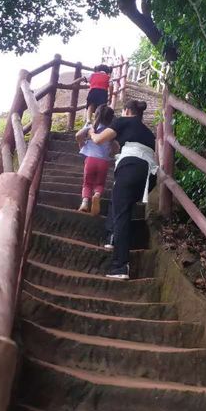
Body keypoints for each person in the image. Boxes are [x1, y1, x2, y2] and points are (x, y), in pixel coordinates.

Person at [88, 99, 157, 280]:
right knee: (119, 203)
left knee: (122, 215)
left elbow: (98, 139)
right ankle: (112, 237)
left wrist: (90, 131)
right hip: (148, 175)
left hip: (130, 169)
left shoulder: (123, 121)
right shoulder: (148, 133)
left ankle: (120, 266)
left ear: (126, 111)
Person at [75, 105, 115, 217]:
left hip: (90, 160)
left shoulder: (90, 127)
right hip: (104, 161)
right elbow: (116, 146)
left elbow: (78, 135)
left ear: (96, 115)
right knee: (100, 183)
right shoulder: (110, 131)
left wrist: (81, 145)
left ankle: (85, 203)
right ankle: (97, 195)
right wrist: (111, 154)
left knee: (87, 183)